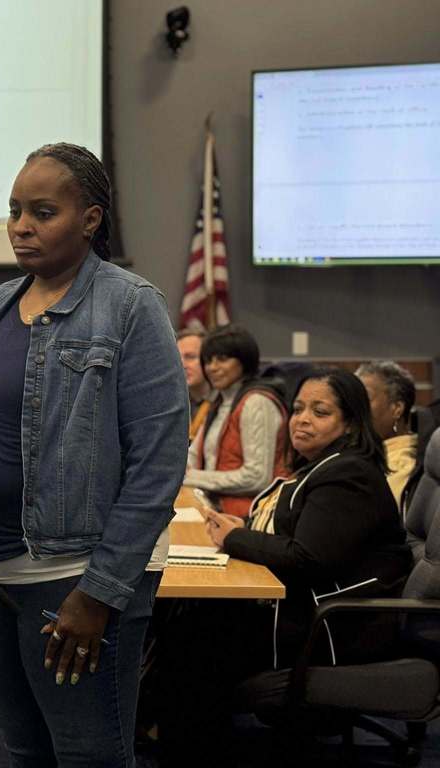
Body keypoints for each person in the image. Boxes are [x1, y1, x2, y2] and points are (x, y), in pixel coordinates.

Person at [0, 142, 189, 767]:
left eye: (41, 212)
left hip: (73, 577)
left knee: (89, 755)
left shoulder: (130, 305)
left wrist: (101, 593)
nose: (21, 226)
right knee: (25, 750)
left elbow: (159, 463)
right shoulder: (0, 302)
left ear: (90, 219)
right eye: (14, 211)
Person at [156, 368, 411, 766]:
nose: (302, 419)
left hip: (333, 627)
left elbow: (308, 558)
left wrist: (235, 539)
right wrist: (243, 530)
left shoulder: (348, 475)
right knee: (189, 620)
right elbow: (301, 540)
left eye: (320, 411)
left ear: (349, 422)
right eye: (298, 409)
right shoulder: (323, 466)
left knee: (193, 634)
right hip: (308, 611)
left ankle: (184, 745)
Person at [183, 324, 288, 517]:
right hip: (217, 511)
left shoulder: (257, 402)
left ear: (244, 361)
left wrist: (191, 477)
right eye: (208, 360)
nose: (212, 367)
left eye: (222, 359)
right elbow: (192, 455)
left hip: (250, 517)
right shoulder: (220, 401)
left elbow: (257, 478)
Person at [356, 360, 418, 505]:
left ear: (397, 408)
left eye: (365, 398)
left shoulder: (403, 466)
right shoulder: (366, 454)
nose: (355, 408)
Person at [176, 328, 211, 441]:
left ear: (208, 359)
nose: (182, 365)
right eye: (177, 358)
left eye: (190, 357)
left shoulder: (225, 401)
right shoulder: (173, 402)